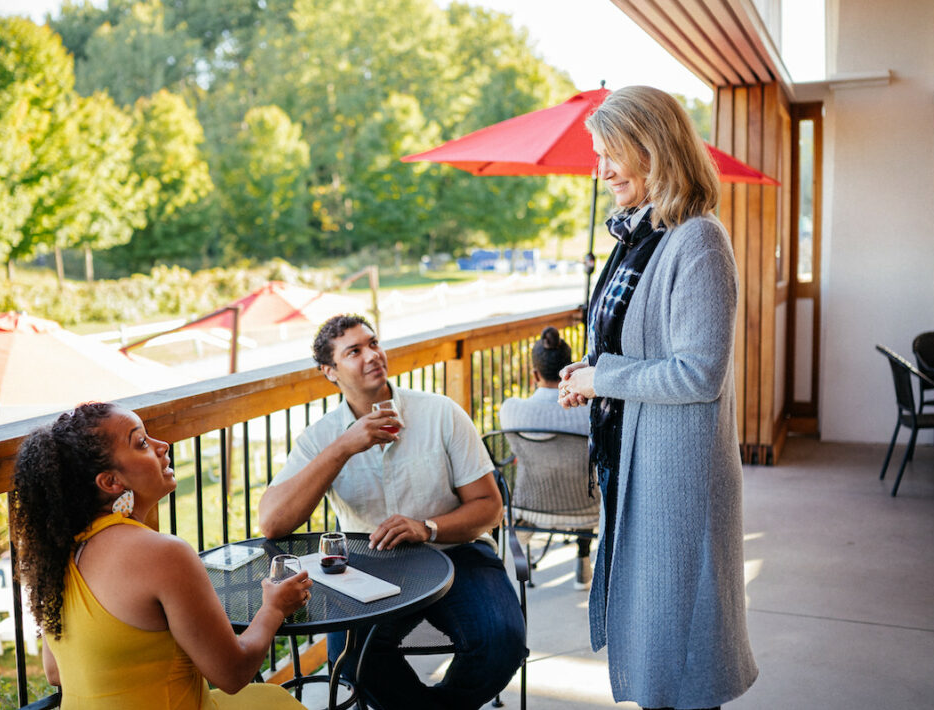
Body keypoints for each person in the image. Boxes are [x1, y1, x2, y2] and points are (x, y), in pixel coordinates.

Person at [558, 85, 758, 709]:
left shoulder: (697, 240)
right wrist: (589, 374)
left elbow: (699, 373)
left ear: (656, 149)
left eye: (613, 153)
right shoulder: (637, 239)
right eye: (599, 155)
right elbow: (636, 345)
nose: (604, 169)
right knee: (656, 646)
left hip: (676, 477)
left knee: (683, 655)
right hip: (634, 464)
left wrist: (604, 378)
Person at [258, 314, 526, 710]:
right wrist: (344, 447)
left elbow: (490, 508)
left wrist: (427, 527)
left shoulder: (440, 412)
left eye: (373, 343)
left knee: (501, 640)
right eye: (354, 351)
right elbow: (272, 521)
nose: (372, 355)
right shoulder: (322, 437)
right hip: (368, 568)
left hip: (457, 555)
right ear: (329, 371)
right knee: (352, 663)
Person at [11, 402, 312, 710]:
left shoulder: (59, 550)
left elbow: (55, 671)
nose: (161, 445)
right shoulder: (162, 554)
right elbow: (233, 674)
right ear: (111, 482)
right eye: (141, 442)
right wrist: (274, 608)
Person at [498, 326, 596, 589]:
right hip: (588, 510)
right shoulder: (590, 412)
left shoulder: (511, 411)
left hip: (532, 509)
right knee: (587, 476)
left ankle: (521, 582)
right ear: (569, 370)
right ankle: (583, 559)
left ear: (534, 374)